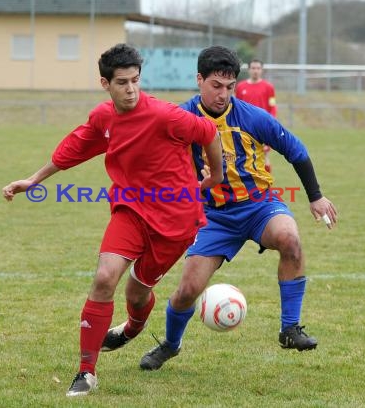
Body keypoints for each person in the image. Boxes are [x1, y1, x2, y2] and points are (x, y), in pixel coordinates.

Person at [2, 43, 224, 397]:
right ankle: (87, 372)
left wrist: (214, 176)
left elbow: (209, 133)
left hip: (175, 220)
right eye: (122, 82)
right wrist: (34, 179)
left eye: (135, 80)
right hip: (131, 210)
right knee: (105, 277)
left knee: (137, 293)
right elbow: (73, 148)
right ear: (105, 83)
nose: (131, 89)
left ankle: (133, 329)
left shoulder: (166, 116)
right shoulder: (103, 117)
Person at [104, 45, 337, 370]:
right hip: (211, 217)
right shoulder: (180, 118)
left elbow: (295, 150)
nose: (223, 94)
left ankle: (289, 328)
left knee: (290, 239)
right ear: (199, 80)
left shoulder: (253, 117)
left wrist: (315, 196)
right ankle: (171, 345)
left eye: (230, 87)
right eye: (216, 86)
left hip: (259, 206)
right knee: (187, 290)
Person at [235, 59, 277, 172]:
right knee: (244, 157)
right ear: (249, 70)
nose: (255, 71)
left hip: (263, 127)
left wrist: (271, 122)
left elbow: (272, 106)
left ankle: (266, 184)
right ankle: (247, 184)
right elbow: (236, 107)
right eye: (253, 68)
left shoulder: (269, 87)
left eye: (258, 68)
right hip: (245, 127)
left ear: (261, 70)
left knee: (264, 157)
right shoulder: (240, 87)